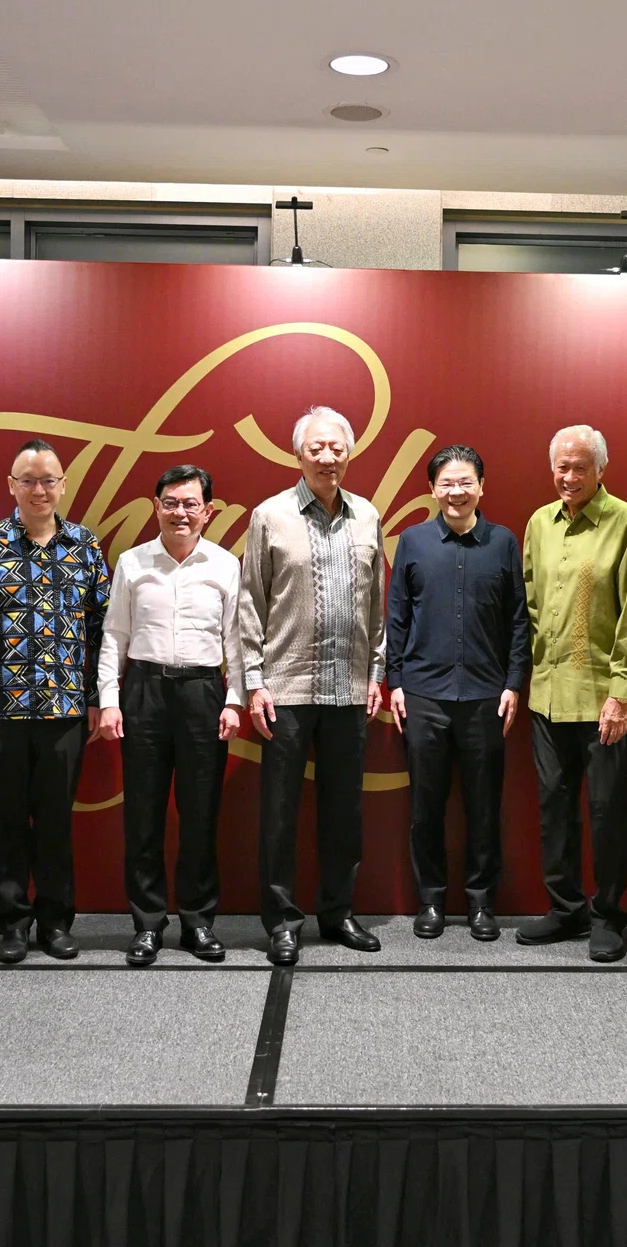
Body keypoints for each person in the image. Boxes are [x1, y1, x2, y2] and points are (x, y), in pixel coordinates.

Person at [0, 438, 110, 965]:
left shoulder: (85, 545)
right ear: (11, 486)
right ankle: (13, 923)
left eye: (48, 480)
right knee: (7, 820)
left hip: (64, 711)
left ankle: (56, 922)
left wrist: (94, 698)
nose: (39, 490)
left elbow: (101, 630)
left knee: (57, 821)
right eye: (28, 480)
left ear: (63, 484)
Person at [239, 406, 388, 966]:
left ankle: (338, 912)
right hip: (287, 688)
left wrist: (376, 672)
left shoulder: (367, 516)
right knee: (279, 813)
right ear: (297, 453)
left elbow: (376, 607)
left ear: (349, 453)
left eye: (337, 447)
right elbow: (251, 601)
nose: (328, 457)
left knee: (344, 811)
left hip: (350, 689)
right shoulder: (270, 516)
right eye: (316, 447)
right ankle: (281, 920)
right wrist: (255, 681)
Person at [95, 464, 243, 966]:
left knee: (200, 814)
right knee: (144, 814)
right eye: (171, 502)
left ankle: (198, 922)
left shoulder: (225, 564)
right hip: (145, 691)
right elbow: (114, 635)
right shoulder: (133, 564)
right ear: (156, 505)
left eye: (190, 503)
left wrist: (235, 699)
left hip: (203, 692)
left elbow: (235, 641)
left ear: (208, 510)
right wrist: (110, 700)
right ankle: (148, 924)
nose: (180, 512)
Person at [519, 425, 627, 963]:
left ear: (601, 469)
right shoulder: (539, 523)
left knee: (605, 810)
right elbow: (529, 602)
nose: (568, 477)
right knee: (554, 808)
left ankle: (607, 914)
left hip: (602, 699)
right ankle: (565, 907)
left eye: (579, 467)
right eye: (561, 467)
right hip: (547, 696)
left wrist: (622, 694)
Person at [385, 445, 529, 942]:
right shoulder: (413, 541)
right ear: (432, 489)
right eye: (446, 482)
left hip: (487, 696)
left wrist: (514, 682)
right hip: (423, 694)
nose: (456, 491)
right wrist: (395, 682)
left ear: (481, 487)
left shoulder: (504, 542)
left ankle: (481, 903)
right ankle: (430, 901)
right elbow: (397, 615)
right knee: (426, 805)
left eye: (465, 481)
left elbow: (518, 620)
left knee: (484, 805)